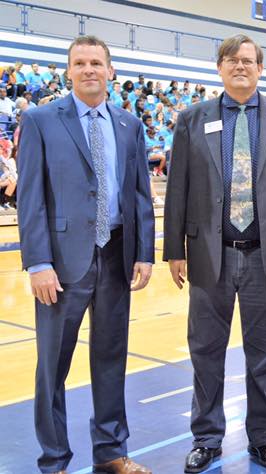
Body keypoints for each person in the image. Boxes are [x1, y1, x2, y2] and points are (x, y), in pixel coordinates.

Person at [163, 34, 266, 473]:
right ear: (220, 68)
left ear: (260, 69)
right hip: (210, 254)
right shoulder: (192, 118)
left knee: (263, 355)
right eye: (231, 59)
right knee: (205, 351)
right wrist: (174, 249)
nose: (240, 66)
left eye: (248, 60)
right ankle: (206, 438)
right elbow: (177, 187)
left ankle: (264, 437)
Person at [16, 35, 155, 474]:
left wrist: (145, 252)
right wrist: (38, 262)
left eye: (97, 62)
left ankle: (111, 452)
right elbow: (30, 197)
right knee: (52, 367)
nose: (89, 69)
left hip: (116, 255)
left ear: (110, 71)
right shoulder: (39, 120)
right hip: (61, 262)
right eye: (80, 63)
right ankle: (54, 460)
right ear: (68, 71)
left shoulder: (129, 125)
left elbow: (140, 194)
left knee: (111, 359)